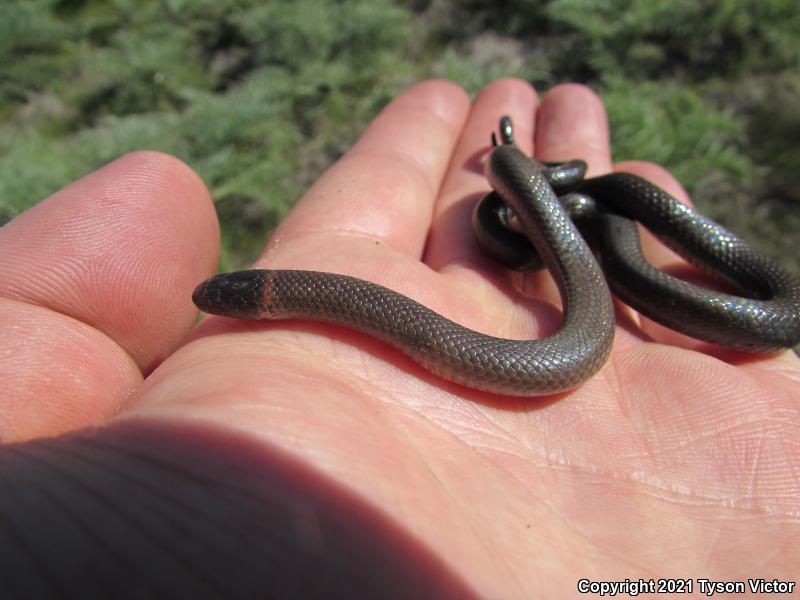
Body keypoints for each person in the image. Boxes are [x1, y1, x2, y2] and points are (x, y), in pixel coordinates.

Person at [0, 79, 797, 598]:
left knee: (604, 211)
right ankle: (554, 192)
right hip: (544, 211)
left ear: (263, 307)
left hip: (569, 218)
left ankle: (582, 198)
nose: (219, 303)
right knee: (526, 219)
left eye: (232, 300)